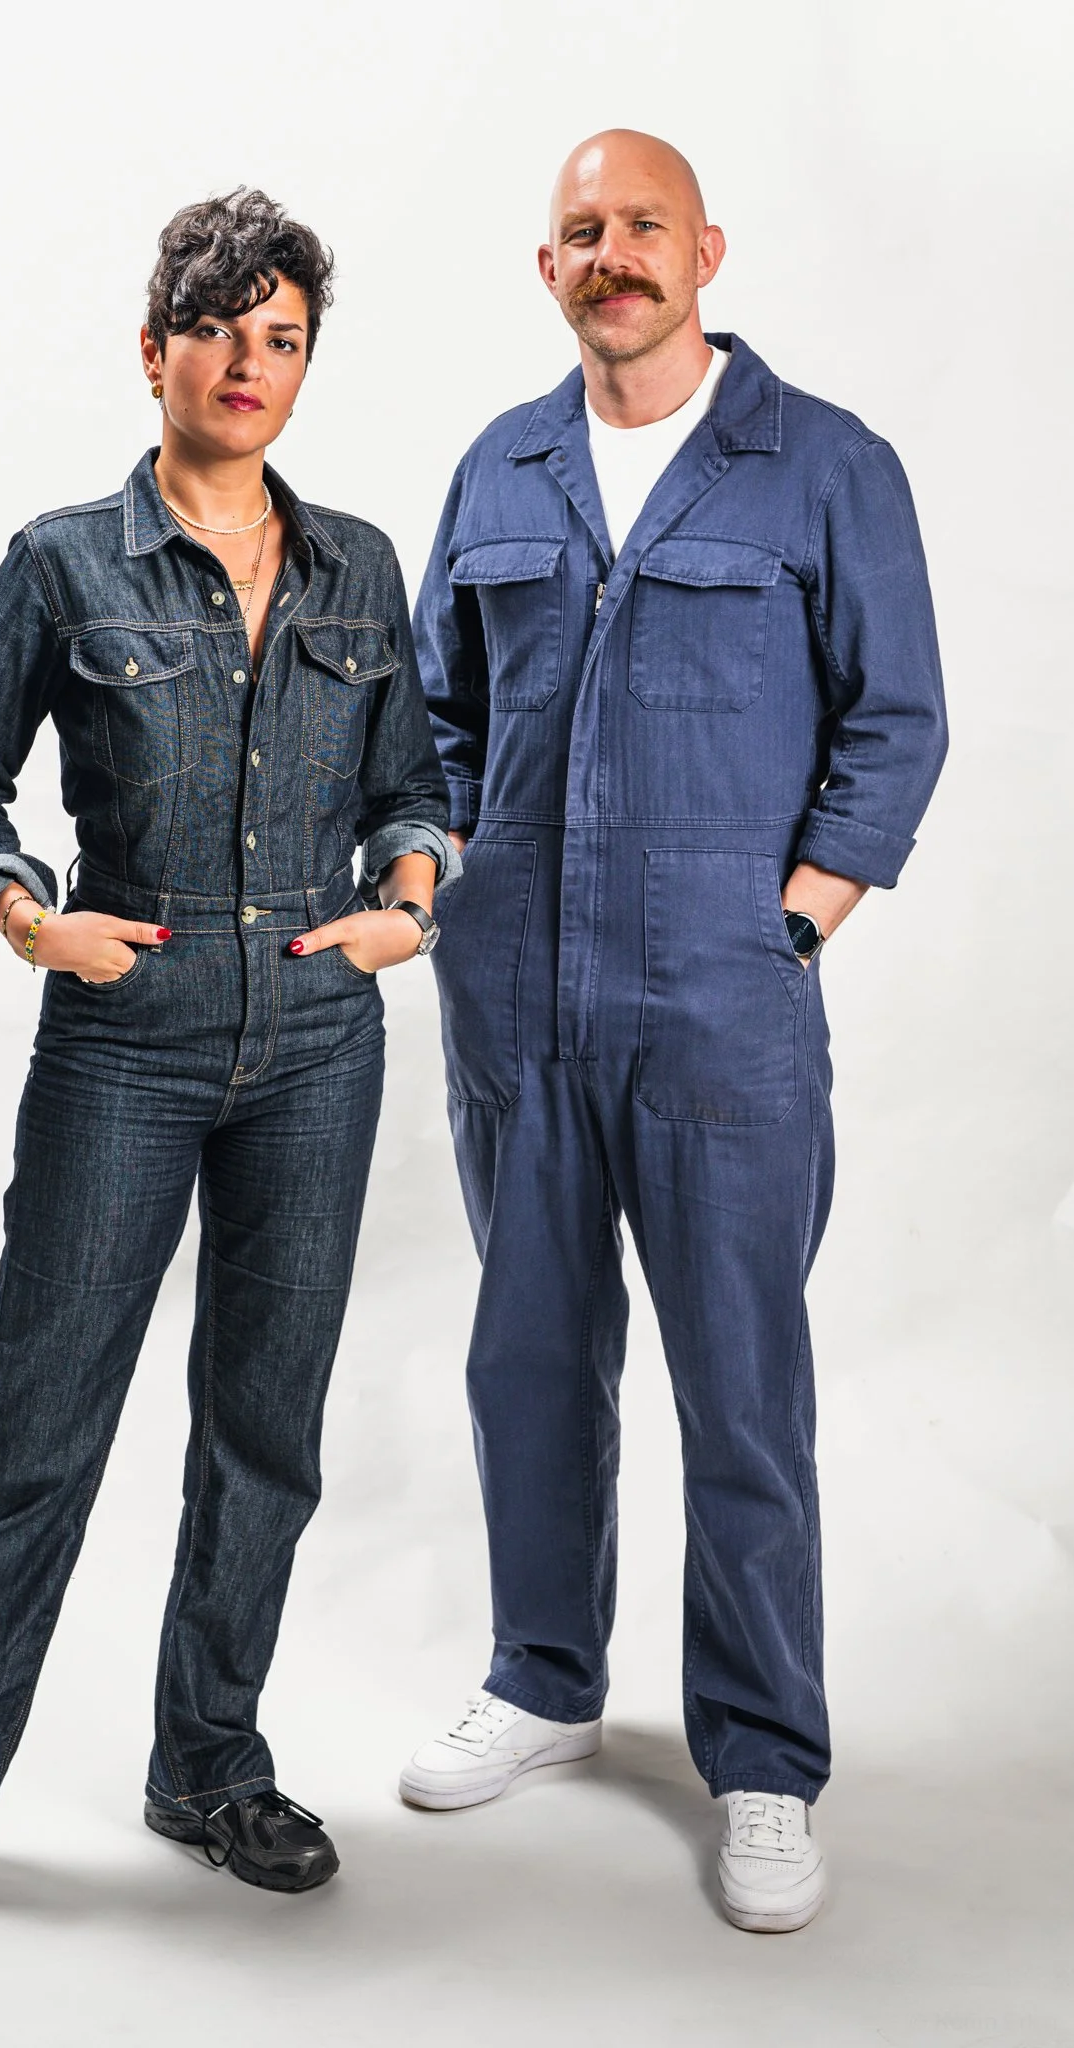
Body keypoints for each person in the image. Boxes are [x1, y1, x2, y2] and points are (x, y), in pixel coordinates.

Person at [0, 188, 456, 1947]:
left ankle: (211, 1765)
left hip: (319, 1037)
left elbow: (416, 780)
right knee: (37, 1425)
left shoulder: (362, 568)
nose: (252, 364)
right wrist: (26, 917)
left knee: (267, 1427)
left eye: (285, 338)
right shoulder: (61, 560)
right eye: (223, 327)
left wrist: (409, 897)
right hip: (128, 1037)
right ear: (153, 342)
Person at [400, 130, 947, 1932]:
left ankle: (769, 1757)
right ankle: (546, 1680)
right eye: (580, 231)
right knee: (531, 1367)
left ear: (705, 250)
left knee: (741, 1386)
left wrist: (790, 921)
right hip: (518, 1007)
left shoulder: (823, 466)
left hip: (724, 1007)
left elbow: (897, 723)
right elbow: (436, 723)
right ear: (544, 267)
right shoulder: (504, 461)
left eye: (641, 226)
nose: (610, 254)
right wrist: (448, 876)